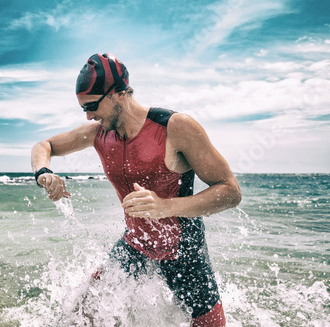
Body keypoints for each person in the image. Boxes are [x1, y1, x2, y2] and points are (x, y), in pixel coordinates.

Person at [31, 53, 241, 327]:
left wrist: (165, 207)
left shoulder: (175, 127)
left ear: (119, 93)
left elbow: (230, 191)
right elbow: (43, 146)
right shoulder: (98, 133)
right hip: (136, 244)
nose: (88, 115)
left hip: (183, 252)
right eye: (84, 108)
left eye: (92, 105)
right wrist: (44, 173)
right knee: (80, 316)